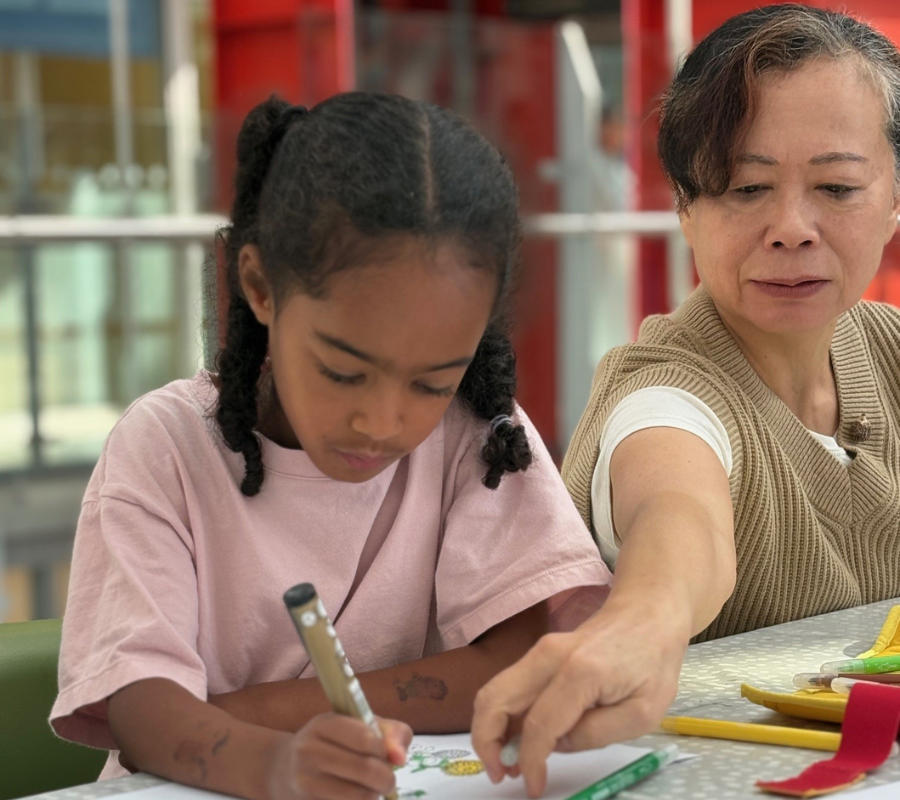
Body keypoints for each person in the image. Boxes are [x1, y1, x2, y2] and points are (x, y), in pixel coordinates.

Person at [49, 92, 611, 800]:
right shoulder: (164, 449)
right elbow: (139, 707)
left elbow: (520, 659)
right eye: (344, 371)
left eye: (431, 382)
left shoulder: (478, 432)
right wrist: (277, 765)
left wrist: (244, 717)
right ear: (259, 286)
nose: (381, 421)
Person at [472, 5, 900, 796]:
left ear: (896, 196)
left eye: (837, 186)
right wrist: (643, 623)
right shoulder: (664, 390)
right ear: (684, 206)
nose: (792, 227)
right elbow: (680, 515)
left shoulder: (888, 348)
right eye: (746, 188)